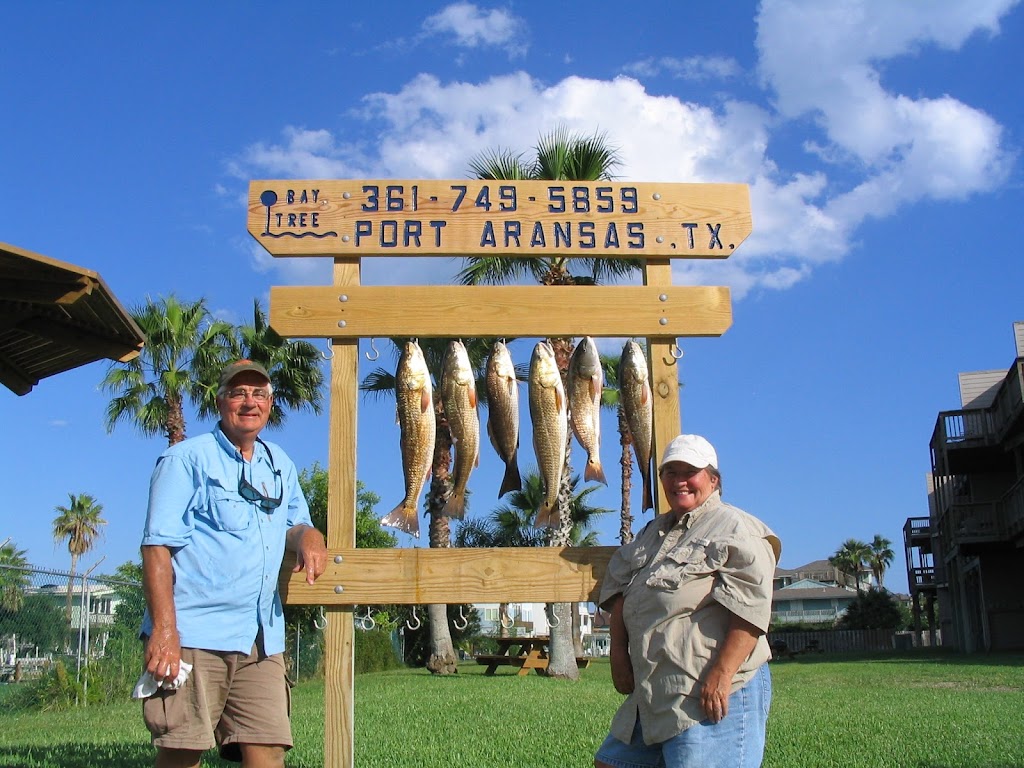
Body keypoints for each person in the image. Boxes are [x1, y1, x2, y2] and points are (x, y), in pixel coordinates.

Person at [139, 360, 328, 768]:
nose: (249, 401)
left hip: (261, 638)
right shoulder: (185, 459)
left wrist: (310, 535)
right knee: (182, 749)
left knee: (269, 748)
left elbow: (295, 521)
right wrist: (164, 631)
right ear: (220, 400)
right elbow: (156, 548)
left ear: (271, 402)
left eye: (259, 393)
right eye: (239, 392)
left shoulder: (279, 462)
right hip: (195, 634)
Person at [594, 434, 781, 768]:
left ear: (713, 479)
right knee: (612, 762)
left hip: (711, 690)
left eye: (689, 472)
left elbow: (751, 610)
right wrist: (618, 654)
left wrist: (721, 675)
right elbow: (620, 588)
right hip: (655, 692)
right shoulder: (653, 532)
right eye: (670, 472)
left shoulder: (737, 527)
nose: (679, 481)